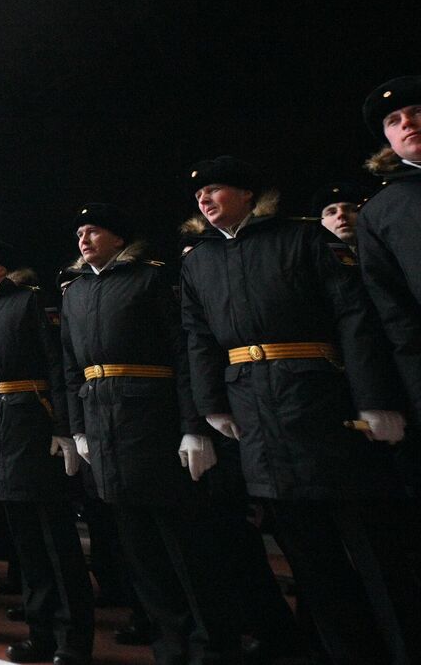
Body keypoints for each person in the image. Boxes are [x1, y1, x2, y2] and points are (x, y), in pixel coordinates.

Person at [181, 156, 415, 664]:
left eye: (216, 189)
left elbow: (355, 318)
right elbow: (198, 340)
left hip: (322, 406)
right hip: (254, 418)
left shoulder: (303, 239)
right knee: (308, 559)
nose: (204, 200)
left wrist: (374, 398)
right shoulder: (198, 261)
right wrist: (211, 407)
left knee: (376, 554)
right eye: (200, 195)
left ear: (248, 195)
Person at [59, 206, 238, 665]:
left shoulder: (150, 280)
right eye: (79, 233)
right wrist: (77, 428)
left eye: (93, 230)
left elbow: (183, 355)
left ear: (118, 239)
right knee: (139, 552)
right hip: (103, 429)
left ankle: (212, 644)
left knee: (185, 547)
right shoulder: (74, 293)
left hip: (154, 425)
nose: (83, 239)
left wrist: (193, 428)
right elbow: (69, 368)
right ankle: (171, 645)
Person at [0, 241, 91, 663]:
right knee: (26, 543)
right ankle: (41, 632)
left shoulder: (30, 303)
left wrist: (64, 429)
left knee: (55, 539)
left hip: (35, 424)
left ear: (2, 267)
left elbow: (58, 364)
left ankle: (73, 637)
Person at [358, 78, 421, 465]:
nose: (407, 123)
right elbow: (395, 315)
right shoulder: (380, 213)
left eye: (416, 113)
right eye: (394, 121)